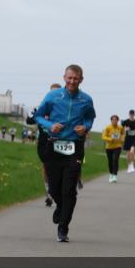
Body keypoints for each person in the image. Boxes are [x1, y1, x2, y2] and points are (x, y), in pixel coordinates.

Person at [34, 65, 95, 243]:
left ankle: (63, 227)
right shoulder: (53, 96)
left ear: (81, 79)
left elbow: (90, 117)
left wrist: (85, 127)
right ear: (64, 77)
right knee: (54, 188)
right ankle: (61, 207)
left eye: (75, 78)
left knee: (69, 190)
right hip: (54, 145)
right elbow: (38, 116)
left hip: (74, 147)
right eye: (69, 78)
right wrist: (49, 125)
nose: (72, 81)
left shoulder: (86, 99)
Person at [28, 83, 62, 207]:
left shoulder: (65, 108)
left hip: (60, 142)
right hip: (44, 142)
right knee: (46, 167)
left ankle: (56, 191)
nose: (54, 95)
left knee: (59, 168)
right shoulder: (42, 106)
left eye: (57, 93)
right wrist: (36, 113)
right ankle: (49, 193)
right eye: (52, 93)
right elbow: (29, 120)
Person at [102, 114, 124, 183]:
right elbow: (103, 136)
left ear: (117, 121)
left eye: (116, 120)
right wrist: (110, 139)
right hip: (109, 147)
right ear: (111, 120)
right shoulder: (108, 127)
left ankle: (115, 175)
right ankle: (111, 174)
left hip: (118, 146)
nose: (114, 121)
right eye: (113, 120)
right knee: (110, 161)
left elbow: (123, 134)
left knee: (115, 160)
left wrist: (122, 139)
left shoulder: (120, 127)